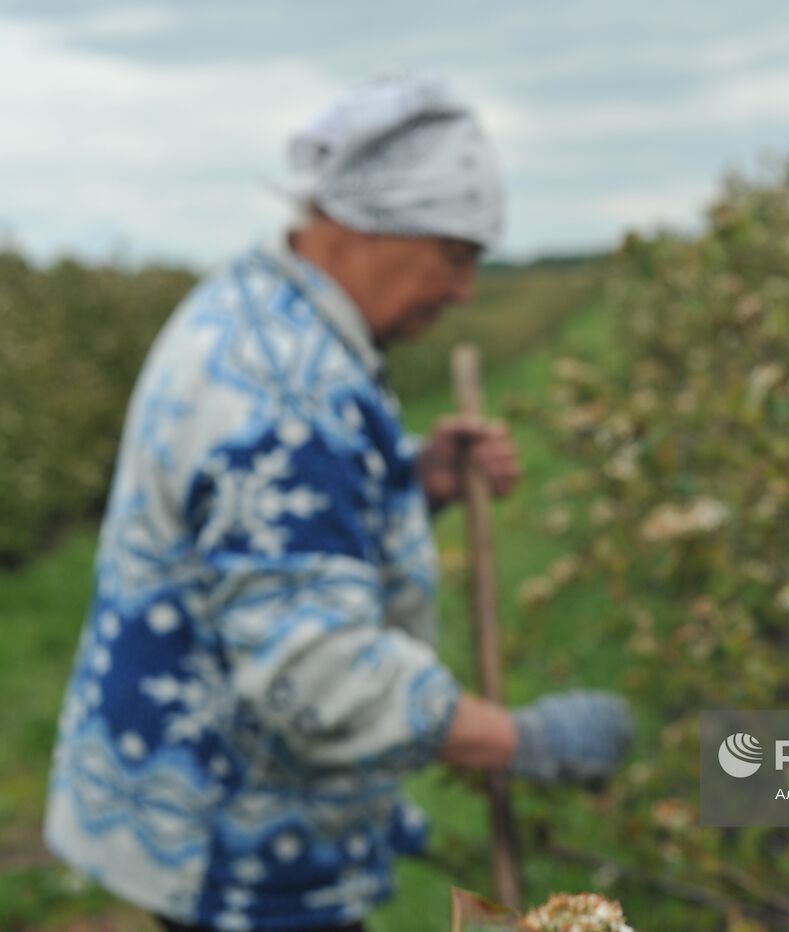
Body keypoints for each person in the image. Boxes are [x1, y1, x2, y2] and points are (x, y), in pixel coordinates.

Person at [43, 76, 634, 931]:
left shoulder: (253, 310)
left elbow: (266, 527)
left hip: (187, 796)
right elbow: (315, 675)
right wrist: (523, 741)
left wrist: (408, 481)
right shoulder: (289, 396)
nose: (464, 290)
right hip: (240, 843)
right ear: (375, 230)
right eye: (457, 256)